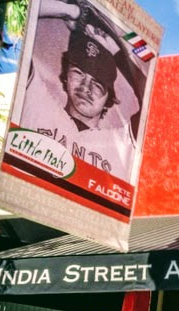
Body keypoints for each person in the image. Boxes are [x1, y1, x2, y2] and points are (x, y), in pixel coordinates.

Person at [18, 0, 148, 178]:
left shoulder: (120, 143)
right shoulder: (37, 101)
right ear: (66, 74)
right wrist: (74, 12)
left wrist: (117, 52)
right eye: (79, 73)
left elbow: (152, 100)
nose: (86, 88)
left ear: (109, 97)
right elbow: (20, 12)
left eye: (98, 84)